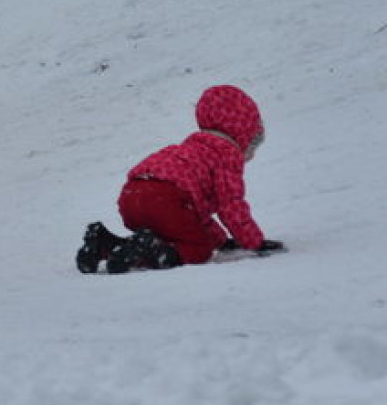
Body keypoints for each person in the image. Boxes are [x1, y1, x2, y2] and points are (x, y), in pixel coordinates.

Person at [75, 84, 283, 274]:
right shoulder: (227, 155)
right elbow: (231, 205)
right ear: (243, 135)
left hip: (132, 194)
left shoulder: (192, 148)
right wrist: (253, 242)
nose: (251, 155)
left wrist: (222, 241)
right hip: (166, 198)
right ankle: (145, 251)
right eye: (253, 145)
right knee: (199, 248)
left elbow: (197, 216)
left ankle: (104, 244)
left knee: (174, 233)